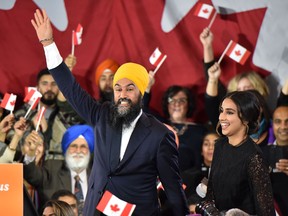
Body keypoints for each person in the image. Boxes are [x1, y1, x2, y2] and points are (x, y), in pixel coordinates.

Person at [31, 9, 189, 215]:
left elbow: (173, 187)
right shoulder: (103, 115)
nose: (122, 94)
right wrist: (48, 44)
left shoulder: (160, 135)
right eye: (118, 88)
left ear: (141, 93)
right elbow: (70, 88)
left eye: (130, 88)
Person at [203, 90, 275, 215]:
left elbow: (266, 211)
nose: (221, 117)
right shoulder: (219, 146)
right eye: (221, 110)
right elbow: (211, 195)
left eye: (229, 112)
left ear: (246, 119)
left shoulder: (254, 157)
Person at [200, 28, 272, 148]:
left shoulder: (275, 121)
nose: (243, 94)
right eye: (239, 90)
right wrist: (207, 46)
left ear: (259, 91)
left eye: (248, 88)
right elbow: (212, 93)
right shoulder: (228, 122)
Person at [23, 124, 94, 215]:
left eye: (83, 146)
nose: (78, 150)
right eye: (73, 146)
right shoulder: (52, 168)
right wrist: (30, 153)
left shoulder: (98, 175)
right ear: (66, 148)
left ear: (89, 150)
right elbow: (32, 175)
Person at [262, 105, 288, 214]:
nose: (283, 126)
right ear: (272, 125)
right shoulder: (260, 153)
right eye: (278, 121)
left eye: (287, 121)